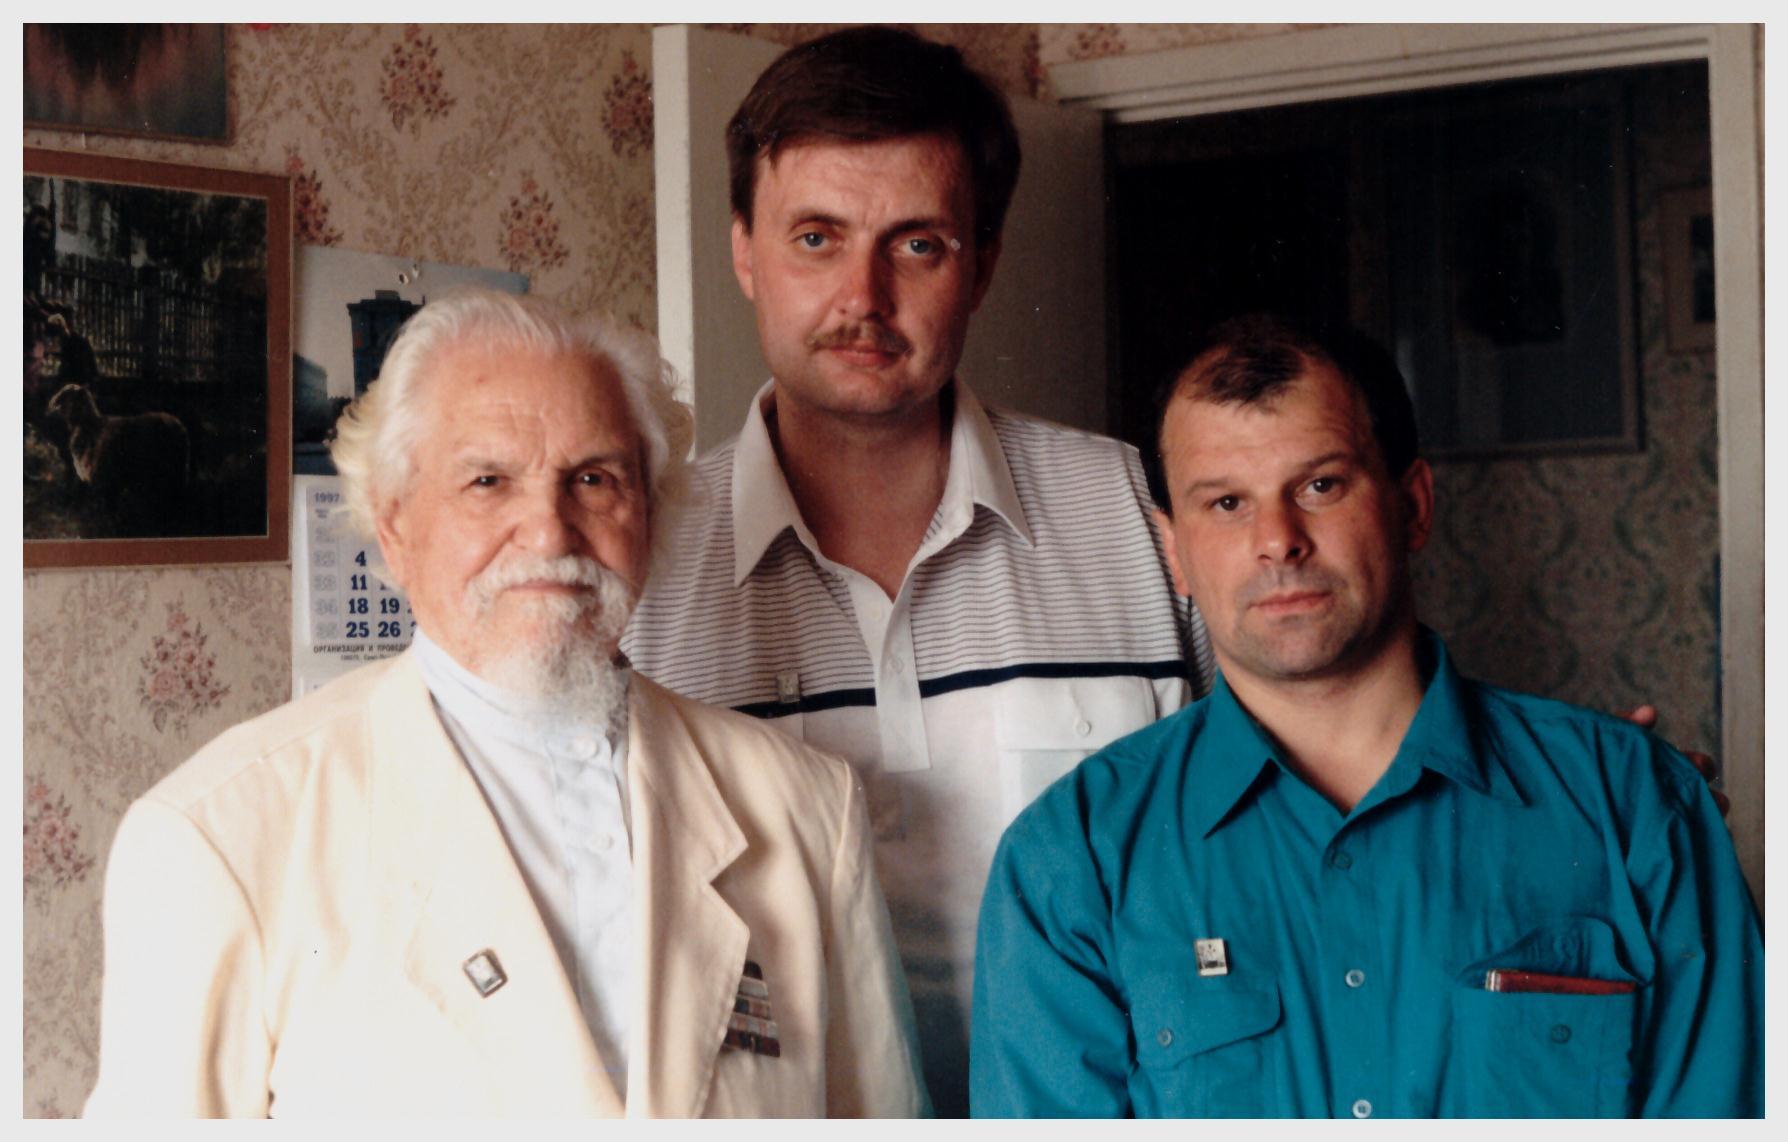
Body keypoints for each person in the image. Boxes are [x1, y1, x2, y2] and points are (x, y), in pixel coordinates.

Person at [84, 290, 927, 1118]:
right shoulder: (221, 836)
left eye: (593, 479)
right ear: (394, 527)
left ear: (650, 513)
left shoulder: (809, 810)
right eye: (488, 481)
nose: (550, 531)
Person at [621, 26, 1208, 1116]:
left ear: (983, 264)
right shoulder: (640, 569)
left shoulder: (1137, 511)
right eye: (816, 237)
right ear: (743, 251)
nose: (864, 295)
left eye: (919, 245)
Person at [970, 314, 1763, 1117]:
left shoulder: (1636, 806)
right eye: (1227, 502)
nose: (1278, 541)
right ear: (1173, 551)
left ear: (1412, 506)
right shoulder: (1071, 863)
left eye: (1320, 486)